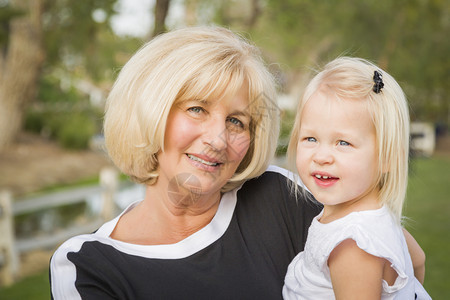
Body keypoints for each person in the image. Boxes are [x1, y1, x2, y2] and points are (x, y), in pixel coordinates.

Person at [50, 28, 424, 299]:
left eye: (236, 121)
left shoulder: (283, 196)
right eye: (197, 109)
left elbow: (408, 261)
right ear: (150, 113)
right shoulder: (87, 267)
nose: (217, 140)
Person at [282, 57, 431, 299]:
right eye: (310, 138)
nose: (321, 156)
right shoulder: (376, 220)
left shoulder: (354, 248)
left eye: (343, 142)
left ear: (388, 158)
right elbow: (418, 261)